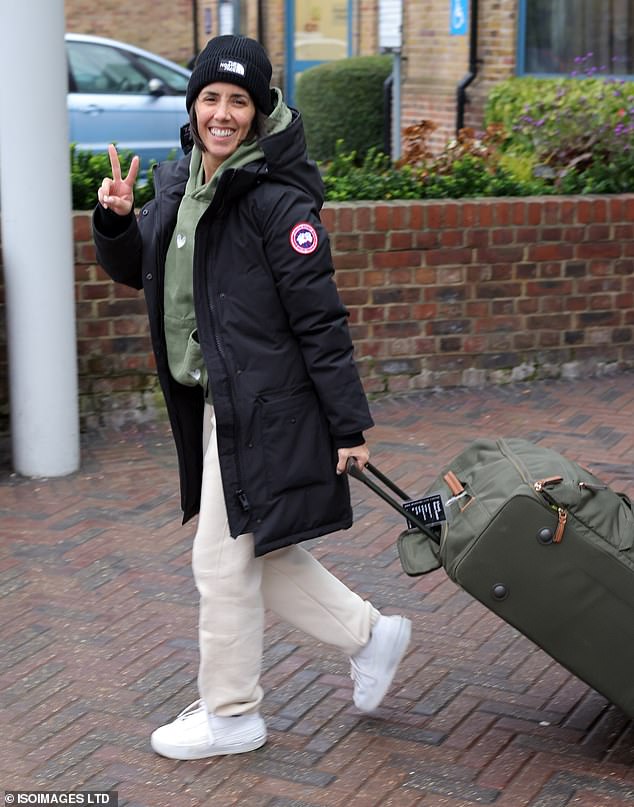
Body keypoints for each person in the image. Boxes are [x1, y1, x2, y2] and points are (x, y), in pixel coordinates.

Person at [93, 34, 411, 761]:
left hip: (267, 405)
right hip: (216, 401)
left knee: (221, 560)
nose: (223, 113)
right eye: (211, 98)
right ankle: (371, 633)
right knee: (256, 550)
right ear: (193, 104)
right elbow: (144, 269)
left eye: (239, 100)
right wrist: (116, 221)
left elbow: (320, 319)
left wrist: (349, 424)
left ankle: (232, 712)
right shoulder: (182, 180)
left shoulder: (276, 200)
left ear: (261, 110)